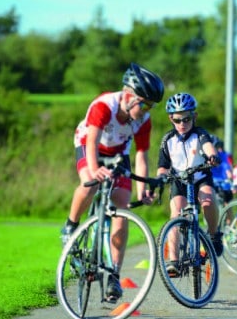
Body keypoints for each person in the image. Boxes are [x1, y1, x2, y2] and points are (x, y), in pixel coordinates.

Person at [60, 62, 164, 302]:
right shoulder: (103, 106)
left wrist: (143, 191)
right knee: (90, 182)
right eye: (145, 104)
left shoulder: (143, 120)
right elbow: (92, 142)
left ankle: (114, 276)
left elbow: (140, 156)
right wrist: (95, 170)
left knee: (121, 206)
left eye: (152, 106)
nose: (148, 110)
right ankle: (70, 226)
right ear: (129, 96)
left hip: (119, 153)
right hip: (89, 145)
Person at [156, 92, 224, 277]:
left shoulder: (200, 134)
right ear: (171, 118)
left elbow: (208, 146)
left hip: (200, 176)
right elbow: (162, 166)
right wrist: (160, 177)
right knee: (176, 213)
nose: (182, 124)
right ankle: (174, 261)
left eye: (186, 119)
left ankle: (213, 235)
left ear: (194, 116)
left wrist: (212, 156)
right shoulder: (167, 140)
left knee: (208, 200)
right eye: (177, 120)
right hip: (179, 180)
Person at [210, 135, 234, 208]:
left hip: (224, 183)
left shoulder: (223, 155)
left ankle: (229, 219)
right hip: (212, 183)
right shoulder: (206, 156)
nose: (218, 149)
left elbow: (227, 168)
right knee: (210, 204)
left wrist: (231, 179)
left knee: (227, 205)